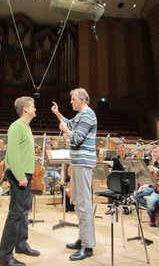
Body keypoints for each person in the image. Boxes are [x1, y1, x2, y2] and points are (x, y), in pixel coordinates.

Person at [51, 88, 97, 262]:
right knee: (78, 202)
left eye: (73, 98)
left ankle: (88, 246)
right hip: (77, 163)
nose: (71, 101)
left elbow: (76, 138)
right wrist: (57, 114)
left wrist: (65, 130)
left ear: (83, 99)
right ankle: (82, 238)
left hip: (84, 163)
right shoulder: (80, 116)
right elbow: (69, 123)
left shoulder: (88, 114)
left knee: (84, 203)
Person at [0, 96, 40, 266]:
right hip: (19, 176)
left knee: (24, 211)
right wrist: (21, 175)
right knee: (15, 214)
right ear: (26, 109)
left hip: (26, 175)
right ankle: (4, 256)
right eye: (33, 106)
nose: (35, 108)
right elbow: (13, 154)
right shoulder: (16, 127)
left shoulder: (26, 127)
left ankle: (21, 244)